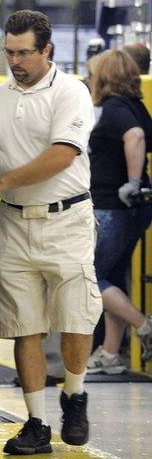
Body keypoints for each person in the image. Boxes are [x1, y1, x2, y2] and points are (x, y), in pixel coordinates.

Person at [0, 10, 98, 456]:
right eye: (9, 52)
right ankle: (36, 423)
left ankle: (74, 394)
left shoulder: (71, 93)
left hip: (67, 221)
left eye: (24, 53)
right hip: (14, 223)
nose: (15, 61)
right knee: (26, 325)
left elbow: (62, 155)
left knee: (76, 317)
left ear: (47, 51)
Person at [85, 49, 152, 374]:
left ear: (104, 76)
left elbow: (135, 138)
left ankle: (144, 325)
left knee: (87, 276)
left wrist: (133, 181)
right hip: (133, 210)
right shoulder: (136, 106)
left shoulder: (113, 109)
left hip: (114, 205)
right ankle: (110, 354)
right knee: (112, 278)